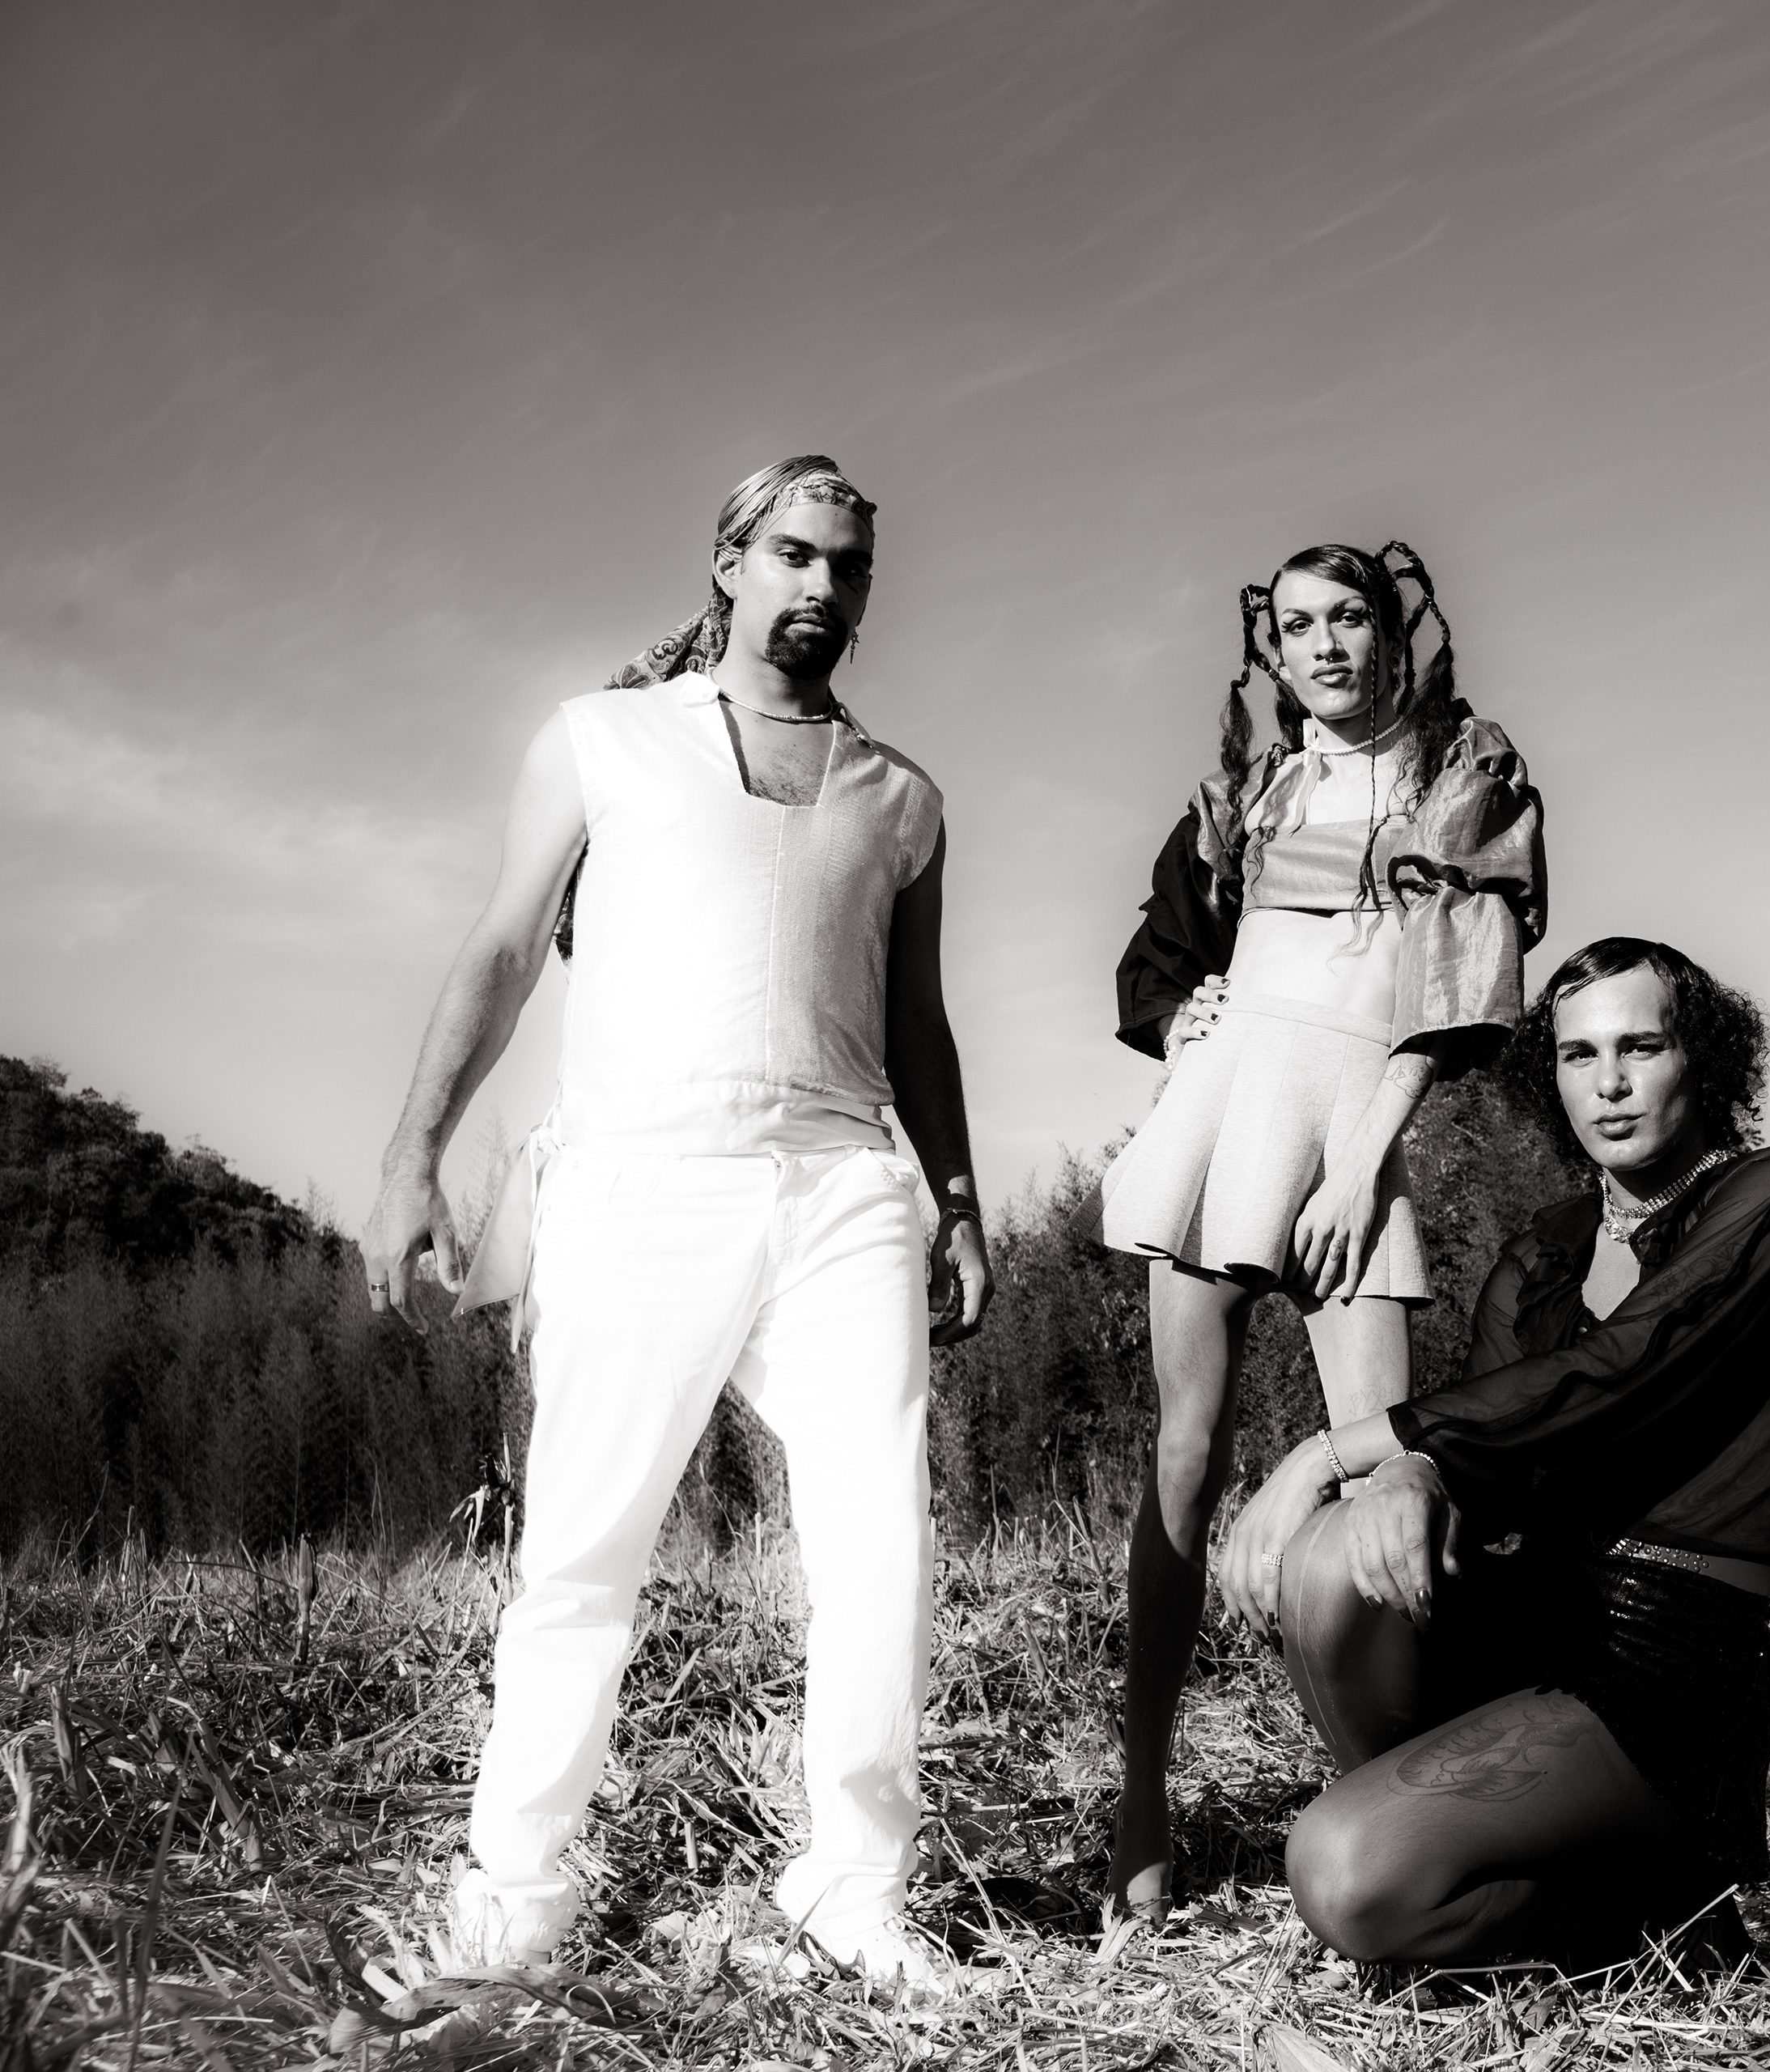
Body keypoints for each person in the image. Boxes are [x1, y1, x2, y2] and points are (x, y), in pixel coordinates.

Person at [360, 455, 991, 1985]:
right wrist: (412, 1157)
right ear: (729, 561)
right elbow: (505, 949)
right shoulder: (605, 737)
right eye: (794, 554)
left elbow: (918, 1022)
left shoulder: (904, 796)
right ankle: (514, 1897)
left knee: (882, 1544)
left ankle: (855, 1889)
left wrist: (959, 1199)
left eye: (848, 565)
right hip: (641, 1173)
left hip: (843, 1185)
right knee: (586, 1542)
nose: (822, 586)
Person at [1212, 938, 1770, 1968]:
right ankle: (1497, 1869)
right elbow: (1493, 1454)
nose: (1608, 1083)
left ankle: (1675, 1912)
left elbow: (1624, 1369)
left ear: (1703, 1057)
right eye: (1577, 1054)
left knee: (1340, 1874)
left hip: (1685, 1645)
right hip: (1543, 1610)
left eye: (1640, 1047)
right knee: (1333, 1558)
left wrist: (1332, 1452)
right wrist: (1410, 1474)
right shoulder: (1546, 1247)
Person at [1101, 542, 1547, 1920]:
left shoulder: (1462, 774)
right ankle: (1140, 1807)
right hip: (1222, 1120)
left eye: (1348, 616)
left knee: (1389, 1478)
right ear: (1274, 651)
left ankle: (1396, 1803)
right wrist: (1180, 1016)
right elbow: (1161, 961)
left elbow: (1458, 994)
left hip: (1356, 1127)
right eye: (1297, 627)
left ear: (1393, 631)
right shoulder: (1250, 792)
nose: (1326, 645)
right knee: (1184, 1461)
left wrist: (1360, 1167)